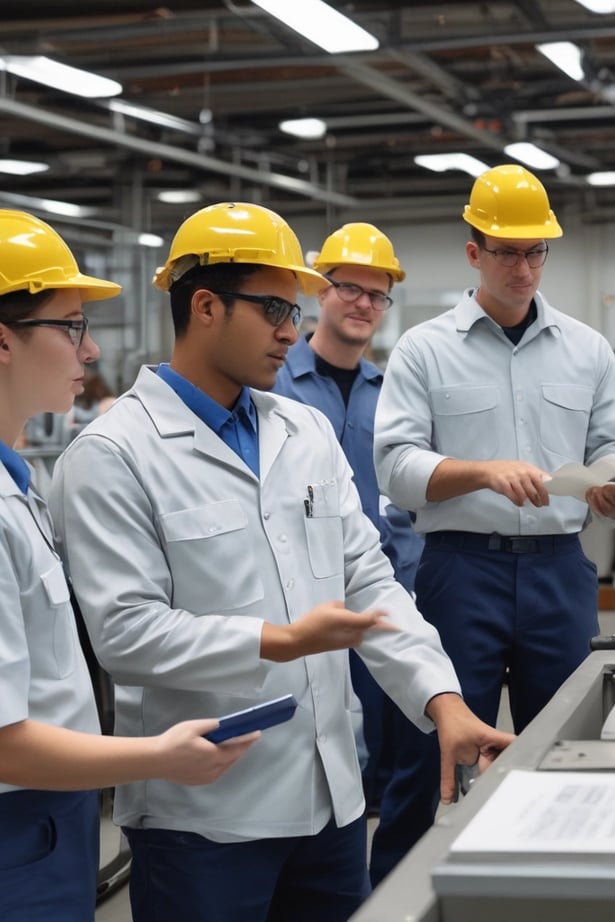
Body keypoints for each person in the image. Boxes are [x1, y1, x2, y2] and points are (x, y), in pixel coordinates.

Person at [48, 201, 514, 922]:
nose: (292, 331)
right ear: (205, 306)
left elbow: (369, 579)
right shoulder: (113, 455)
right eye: (272, 309)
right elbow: (126, 634)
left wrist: (441, 701)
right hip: (205, 817)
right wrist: (280, 641)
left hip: (330, 803)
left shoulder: (304, 429)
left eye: (292, 310)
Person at [370, 164, 615, 885]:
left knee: (564, 744)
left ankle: (556, 891)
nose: (524, 268)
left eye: (536, 252)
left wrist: (611, 484)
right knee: (424, 753)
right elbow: (395, 466)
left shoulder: (586, 349)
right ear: (473, 253)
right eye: (506, 252)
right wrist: (480, 469)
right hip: (459, 572)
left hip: (560, 568)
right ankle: (389, 900)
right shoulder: (425, 349)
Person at [0, 210, 258, 922]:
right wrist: (157, 757)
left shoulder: (20, 487)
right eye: (72, 326)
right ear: (2, 342)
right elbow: (2, 743)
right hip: (19, 827)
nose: (88, 354)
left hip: (54, 821)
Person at [272, 223, 424, 811]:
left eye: (377, 294)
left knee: (392, 750)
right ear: (321, 292)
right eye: (350, 288)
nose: (364, 303)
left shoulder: (390, 393)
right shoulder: (275, 384)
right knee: (322, 754)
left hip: (383, 589)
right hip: (303, 599)